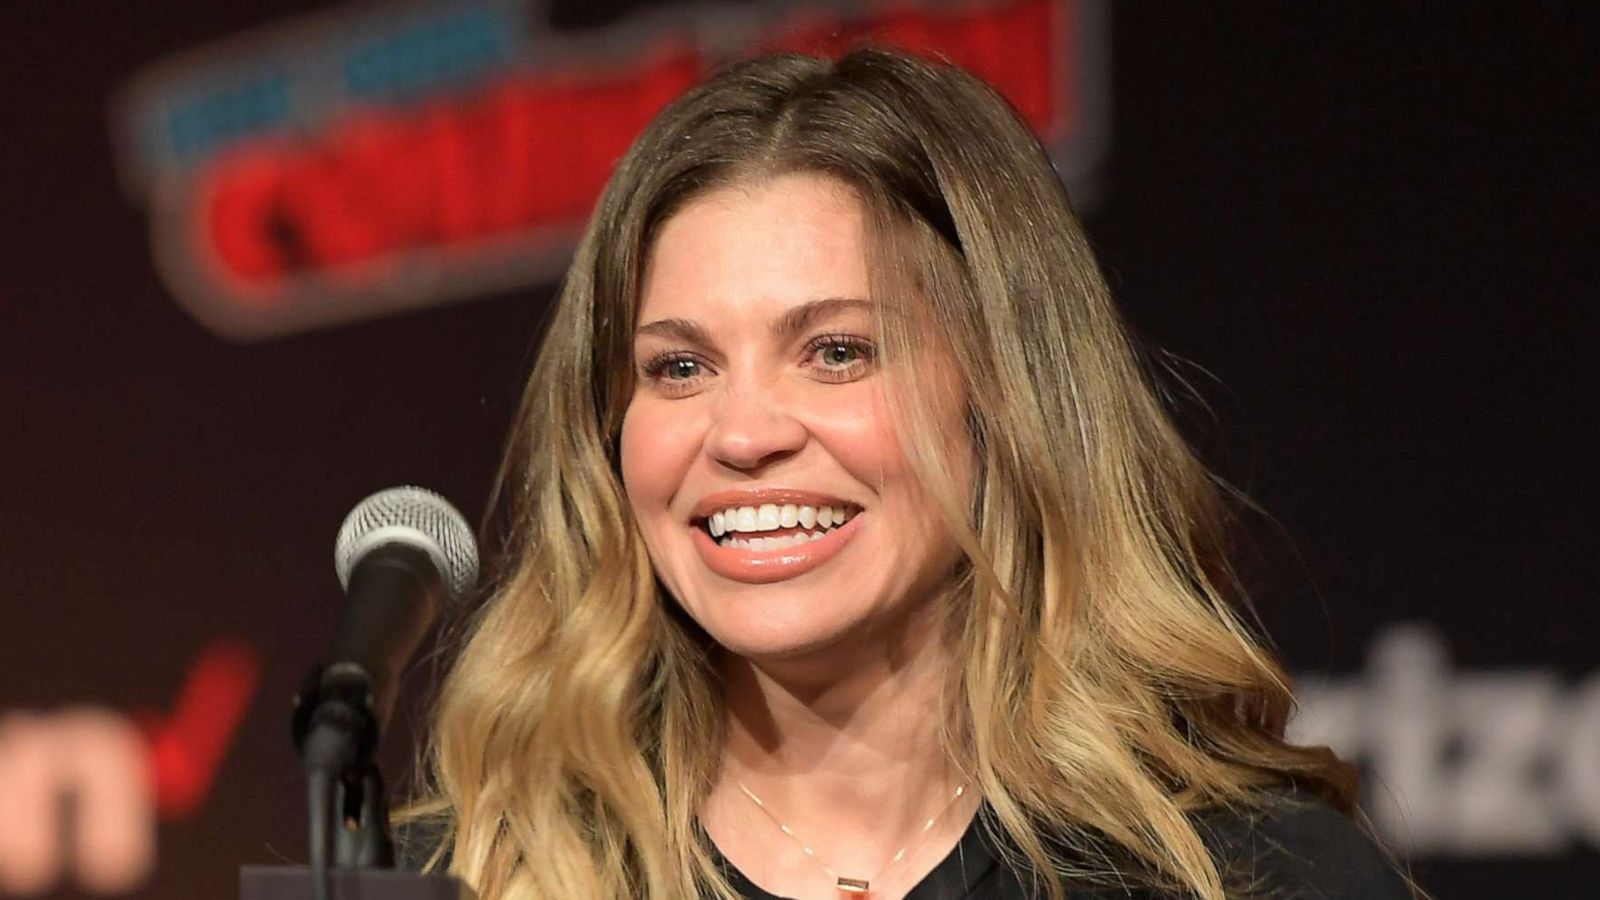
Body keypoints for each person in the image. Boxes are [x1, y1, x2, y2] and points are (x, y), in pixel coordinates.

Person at [399, 48, 1416, 900]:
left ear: (1002, 395)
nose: (742, 433)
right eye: (679, 367)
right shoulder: (475, 878)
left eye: (837, 351)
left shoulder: (1248, 877)